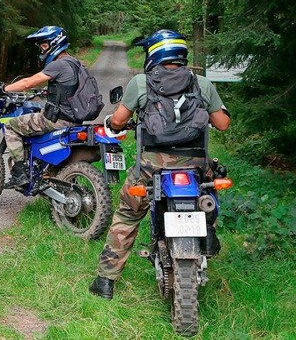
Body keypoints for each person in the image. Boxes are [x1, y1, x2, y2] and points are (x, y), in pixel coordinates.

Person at [89, 29, 231, 299]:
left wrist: (118, 122)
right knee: (209, 192)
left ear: (153, 54)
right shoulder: (202, 83)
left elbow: (118, 121)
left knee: (127, 216)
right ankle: (208, 232)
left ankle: (105, 282)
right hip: (194, 166)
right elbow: (223, 124)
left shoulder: (141, 83)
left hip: (150, 167)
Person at [0, 25, 86, 189]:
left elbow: (28, 82)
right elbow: (67, 89)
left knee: (11, 125)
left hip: (58, 120)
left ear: (55, 43)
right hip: (74, 120)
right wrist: (46, 93)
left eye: (44, 45)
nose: (42, 50)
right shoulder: (75, 63)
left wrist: (4, 88)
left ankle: (19, 174)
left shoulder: (58, 64)